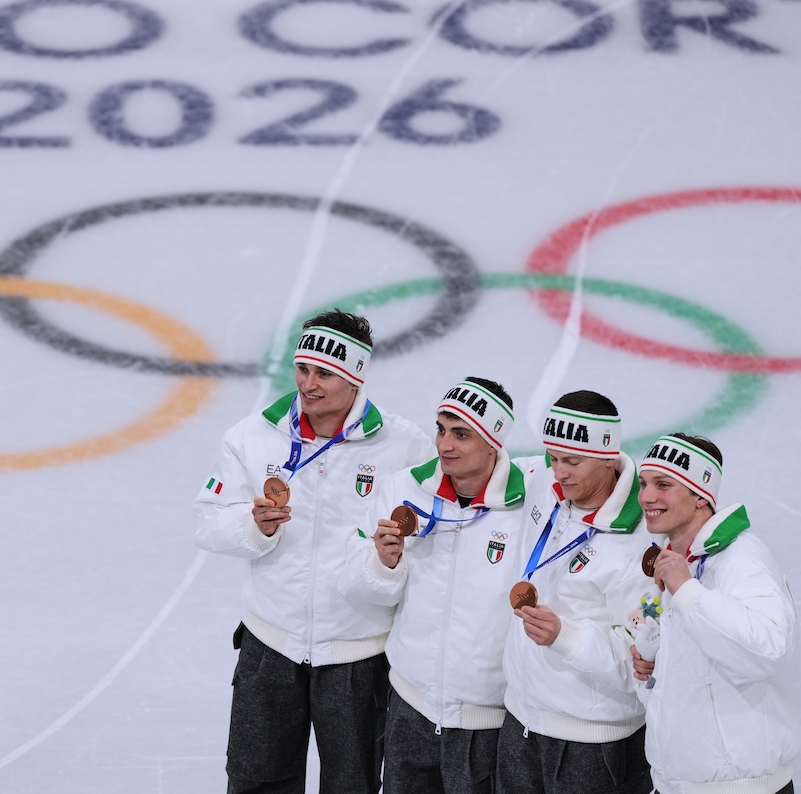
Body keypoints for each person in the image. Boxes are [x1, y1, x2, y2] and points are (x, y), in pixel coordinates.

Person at [193, 309, 433, 794]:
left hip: (359, 654)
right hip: (269, 645)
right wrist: (252, 527)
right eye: (302, 369)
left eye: (324, 373)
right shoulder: (251, 436)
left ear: (355, 375)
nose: (308, 383)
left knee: (352, 786)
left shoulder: (406, 447)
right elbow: (208, 522)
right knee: (255, 782)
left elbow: (427, 545)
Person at [338, 377, 527, 794]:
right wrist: (383, 564)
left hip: (487, 719)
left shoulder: (529, 506)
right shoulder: (404, 488)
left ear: (493, 440)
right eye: (441, 429)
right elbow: (354, 585)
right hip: (409, 708)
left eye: (461, 434)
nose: (444, 444)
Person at [497, 390, 656, 794]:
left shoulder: (642, 544)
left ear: (608, 457)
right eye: (553, 458)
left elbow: (641, 664)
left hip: (592, 742)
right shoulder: (545, 485)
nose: (559, 472)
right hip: (519, 720)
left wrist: (563, 636)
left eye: (572, 461)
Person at [632, 433, 799, 794]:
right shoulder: (676, 558)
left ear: (700, 495)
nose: (646, 496)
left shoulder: (743, 558)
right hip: (675, 782)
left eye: (663, 484)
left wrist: (687, 590)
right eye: (643, 483)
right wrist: (652, 666)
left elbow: (769, 650)